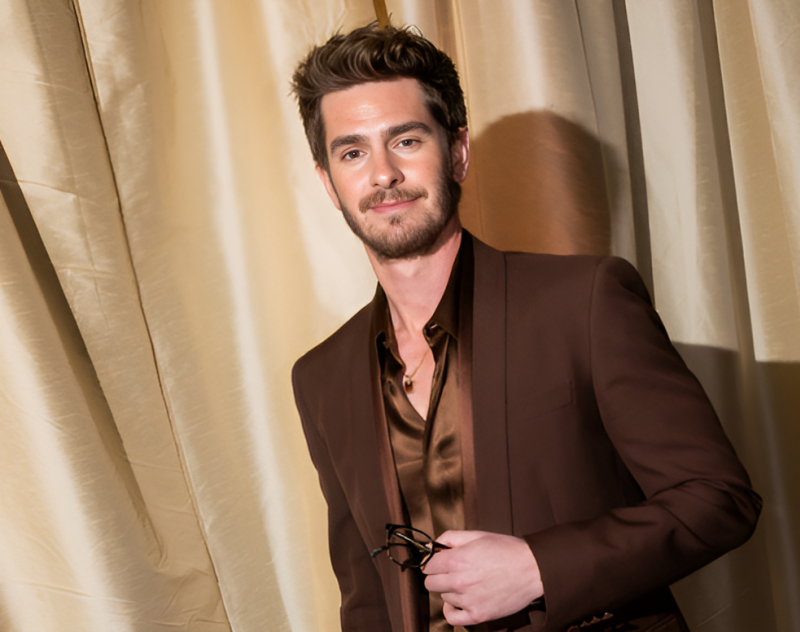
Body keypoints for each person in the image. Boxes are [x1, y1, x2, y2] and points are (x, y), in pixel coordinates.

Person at [290, 22, 761, 632]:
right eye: (352, 152)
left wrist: (541, 567)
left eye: (405, 141)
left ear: (456, 151)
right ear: (329, 183)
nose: (382, 174)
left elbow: (718, 499)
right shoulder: (321, 377)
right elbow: (365, 597)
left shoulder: (585, 301)